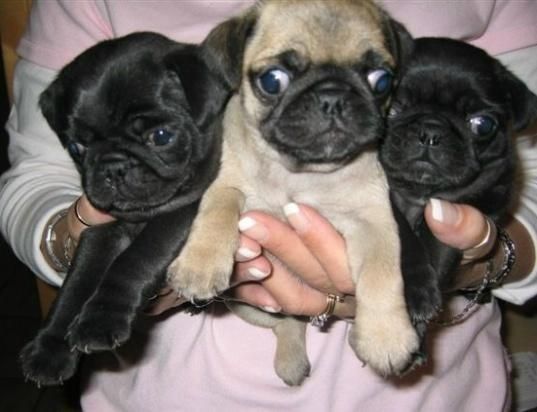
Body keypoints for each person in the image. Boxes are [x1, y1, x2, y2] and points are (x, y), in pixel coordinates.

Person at [1, 1, 536, 410]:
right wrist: (71, 241)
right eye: (277, 80)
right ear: (230, 75)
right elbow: (38, 173)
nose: (330, 103)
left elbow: (386, 224)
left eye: (376, 81)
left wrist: (484, 260)